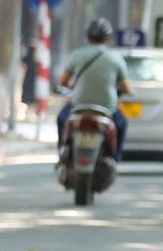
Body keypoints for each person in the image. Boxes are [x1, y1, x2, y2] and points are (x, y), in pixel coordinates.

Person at [57, 18, 132, 158]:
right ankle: (114, 159)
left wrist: (73, 86)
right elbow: (127, 89)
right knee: (121, 124)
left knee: (61, 119)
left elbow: (63, 81)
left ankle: (62, 153)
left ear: (88, 36)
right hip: (107, 107)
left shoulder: (77, 54)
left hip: (78, 104)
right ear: (107, 38)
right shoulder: (115, 58)